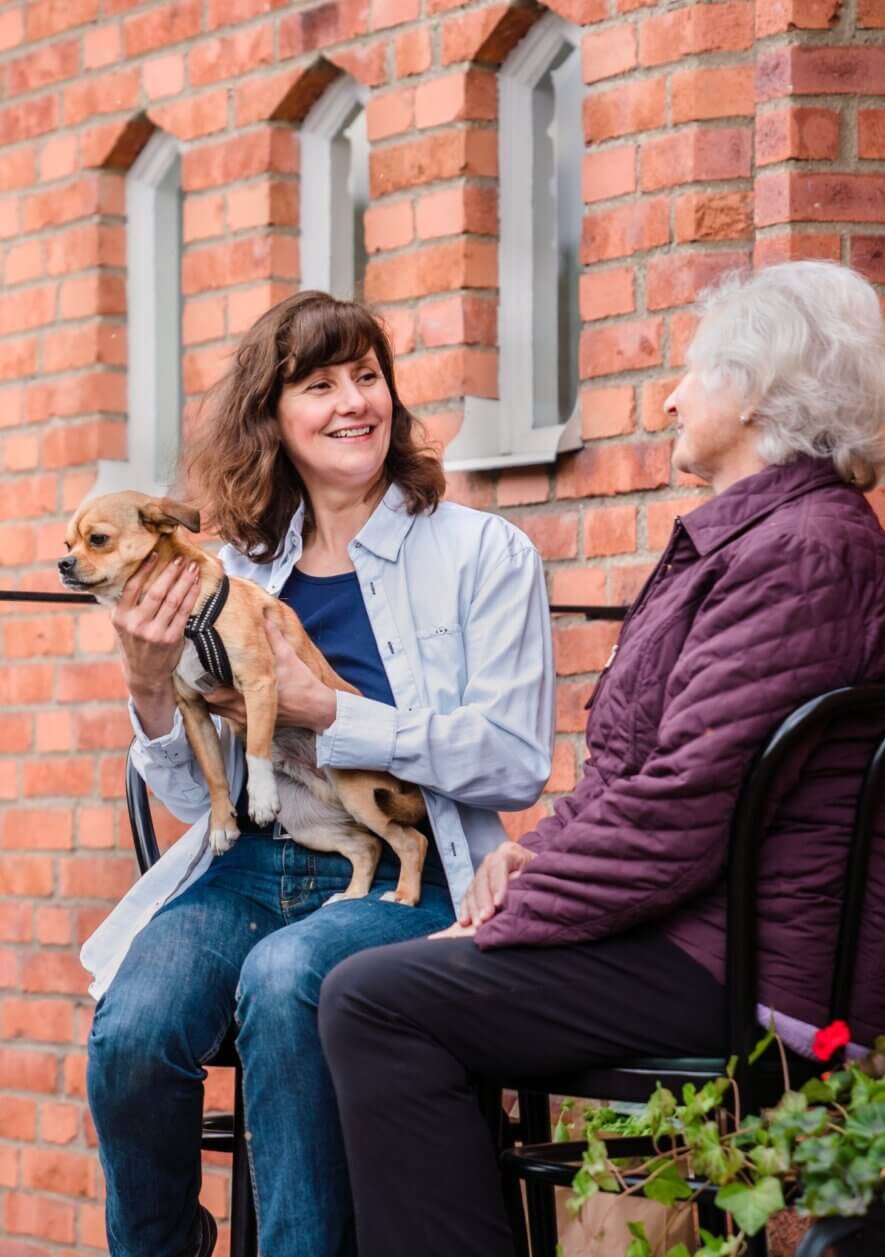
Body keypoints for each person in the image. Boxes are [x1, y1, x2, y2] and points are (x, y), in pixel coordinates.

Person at [317, 261, 885, 1256]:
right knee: (386, 984)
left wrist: (513, 919)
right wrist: (528, 859)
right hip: (709, 936)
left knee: (377, 999)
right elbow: (640, 776)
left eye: (693, 372)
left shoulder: (799, 556)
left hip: (763, 973)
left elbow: (684, 803)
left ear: (751, 393)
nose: (670, 395)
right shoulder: (765, 542)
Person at [81, 292, 554, 1257]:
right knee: (132, 1028)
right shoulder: (232, 569)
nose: (353, 402)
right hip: (251, 868)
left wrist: (332, 712)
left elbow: (514, 761)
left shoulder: (481, 554)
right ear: (274, 418)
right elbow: (186, 796)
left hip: (408, 877)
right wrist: (147, 683)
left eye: (368, 377)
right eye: (319, 384)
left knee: (288, 976)